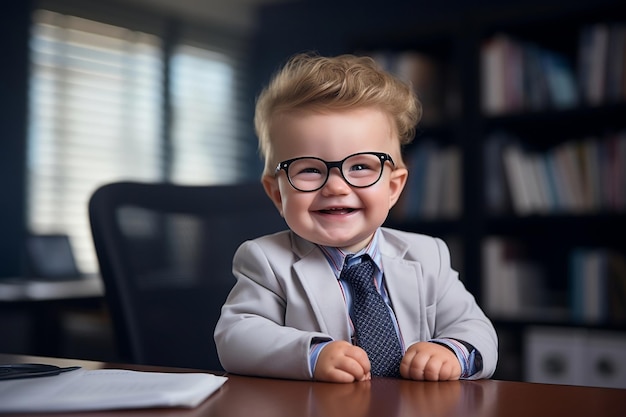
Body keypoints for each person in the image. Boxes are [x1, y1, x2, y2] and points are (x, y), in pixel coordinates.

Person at [214, 52, 498, 383]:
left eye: (360, 166)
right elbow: (236, 337)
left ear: (394, 187)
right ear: (277, 193)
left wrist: (452, 352)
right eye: (309, 169)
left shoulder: (429, 256)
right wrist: (313, 353)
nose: (336, 186)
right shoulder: (266, 261)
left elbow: (477, 329)